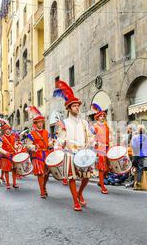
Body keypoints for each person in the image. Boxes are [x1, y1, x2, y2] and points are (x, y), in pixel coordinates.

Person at [54, 80, 94, 212]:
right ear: (69, 108)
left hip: (83, 153)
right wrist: (63, 145)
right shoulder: (64, 123)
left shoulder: (83, 122)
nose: (77, 107)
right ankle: (75, 201)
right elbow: (61, 139)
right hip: (70, 153)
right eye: (75, 106)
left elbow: (90, 136)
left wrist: (90, 143)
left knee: (87, 176)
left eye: (78, 106)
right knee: (71, 177)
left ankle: (80, 192)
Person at [25, 106, 51, 199]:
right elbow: (28, 144)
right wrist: (33, 147)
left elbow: (49, 142)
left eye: (41, 122)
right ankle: (42, 191)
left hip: (46, 154)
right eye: (38, 122)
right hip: (37, 154)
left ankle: (44, 186)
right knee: (40, 173)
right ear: (35, 123)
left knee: (47, 173)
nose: (40, 124)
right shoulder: (31, 133)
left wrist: (52, 144)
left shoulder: (46, 132)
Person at [91, 104, 110, 194]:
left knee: (107, 168)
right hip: (99, 149)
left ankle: (100, 181)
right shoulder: (95, 127)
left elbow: (109, 137)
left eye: (103, 116)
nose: (102, 117)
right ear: (97, 118)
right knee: (102, 168)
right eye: (100, 116)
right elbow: (92, 137)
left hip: (107, 148)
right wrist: (95, 143)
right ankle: (102, 186)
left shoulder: (106, 127)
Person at [0, 123, 20, 190]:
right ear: (4, 130)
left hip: (13, 155)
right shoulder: (1, 138)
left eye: (8, 129)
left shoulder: (13, 137)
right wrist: (5, 152)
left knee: (14, 169)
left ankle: (14, 183)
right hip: (5, 156)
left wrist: (17, 147)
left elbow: (14, 145)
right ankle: (7, 183)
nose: (7, 130)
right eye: (6, 129)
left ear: (10, 130)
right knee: (6, 170)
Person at [131, 125, 147, 189]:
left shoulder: (135, 137)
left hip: (138, 155)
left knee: (138, 168)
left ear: (138, 130)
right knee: (146, 170)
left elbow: (133, 146)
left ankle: (138, 183)